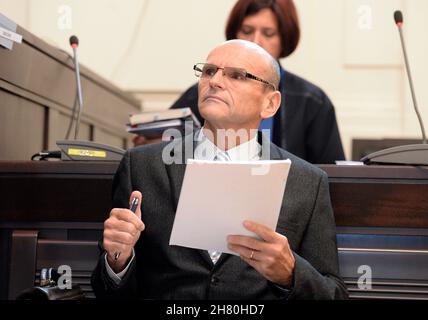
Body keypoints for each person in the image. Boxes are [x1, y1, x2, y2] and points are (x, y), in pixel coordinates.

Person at [91, 39, 348, 300]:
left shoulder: (307, 181)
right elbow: (106, 291)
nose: (214, 81)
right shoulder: (142, 166)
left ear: (270, 103)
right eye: (209, 71)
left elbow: (335, 294)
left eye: (236, 75)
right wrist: (117, 261)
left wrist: (291, 273)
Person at [134, 0, 345, 164]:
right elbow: (167, 156)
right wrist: (159, 147)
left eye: (268, 33)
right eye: (247, 31)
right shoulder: (203, 90)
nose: (255, 41)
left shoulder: (312, 102)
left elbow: (329, 177)